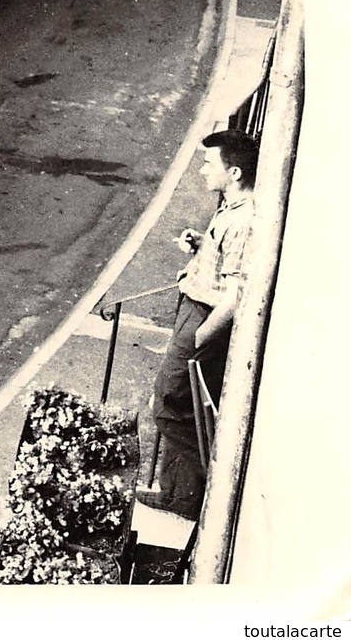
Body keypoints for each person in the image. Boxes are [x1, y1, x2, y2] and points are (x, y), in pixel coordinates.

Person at [149, 128, 258, 519]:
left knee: (165, 403)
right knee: (181, 405)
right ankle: (180, 497)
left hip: (202, 318)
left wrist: (197, 338)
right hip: (193, 307)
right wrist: (201, 245)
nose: (201, 170)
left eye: (209, 163)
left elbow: (234, 297)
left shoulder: (245, 220)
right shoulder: (230, 209)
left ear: (234, 173)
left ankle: (216, 479)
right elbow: (223, 263)